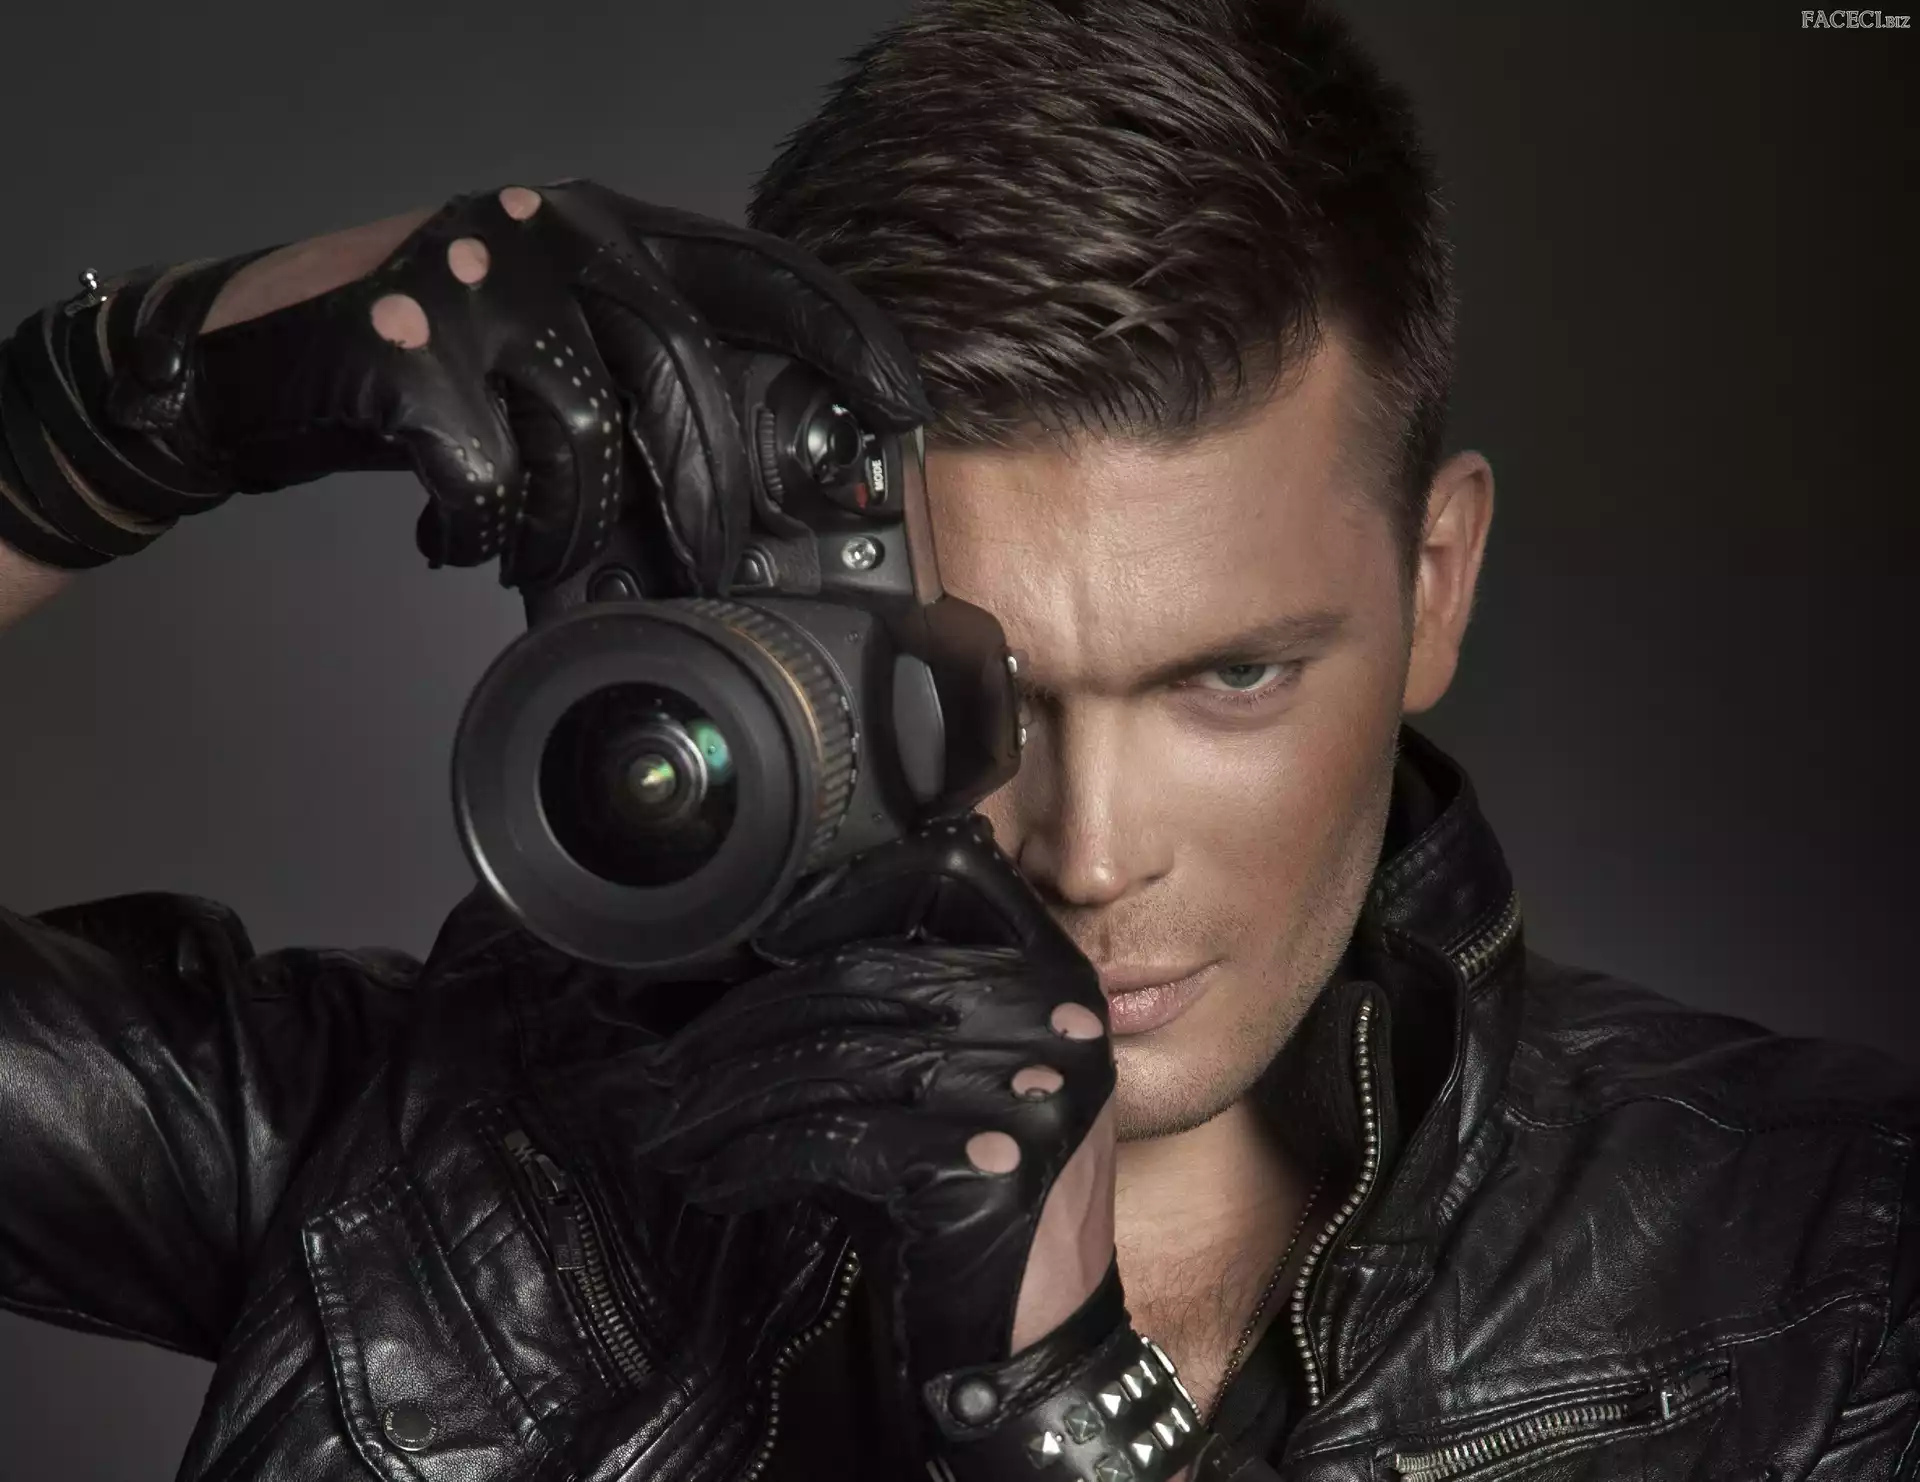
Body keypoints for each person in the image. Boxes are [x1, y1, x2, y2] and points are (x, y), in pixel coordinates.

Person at [1, 1, 1915, 1479]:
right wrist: (151, 396)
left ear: (1436, 583)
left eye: (1232, 678)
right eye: (975, 701)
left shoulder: (1831, 1263)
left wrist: (1062, 1408)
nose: (1090, 850)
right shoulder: (431, 1166)